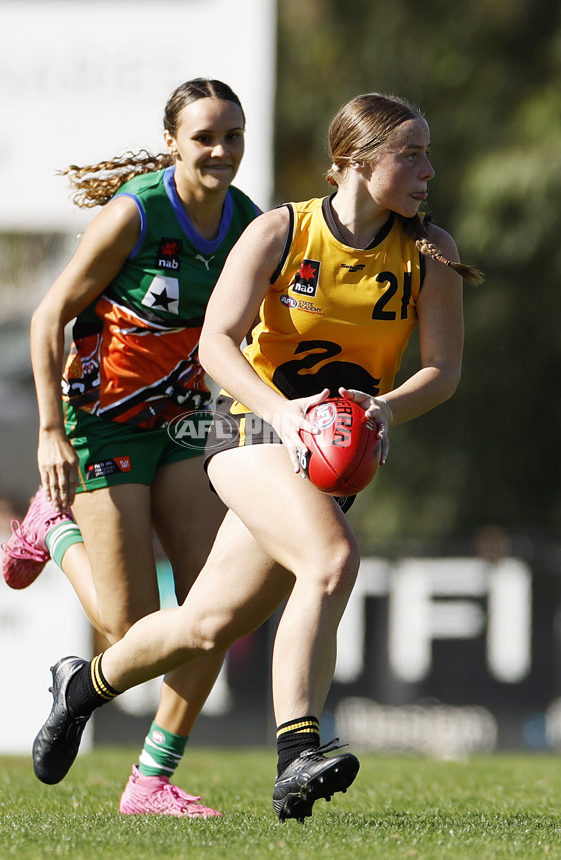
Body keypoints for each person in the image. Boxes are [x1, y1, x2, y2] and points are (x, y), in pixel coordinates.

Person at [30, 92, 483, 821]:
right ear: (357, 163)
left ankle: (82, 686)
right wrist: (285, 413)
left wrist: (384, 407)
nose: (428, 169)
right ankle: (297, 750)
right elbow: (215, 342)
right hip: (247, 430)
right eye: (412, 154)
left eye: (427, 153)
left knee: (205, 626)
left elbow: (445, 371)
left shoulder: (430, 252)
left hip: (335, 458)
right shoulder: (282, 230)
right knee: (331, 560)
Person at [2, 78, 274, 817]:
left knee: (212, 608)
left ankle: (150, 782)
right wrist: (50, 432)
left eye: (233, 137)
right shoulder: (137, 211)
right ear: (172, 143)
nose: (221, 151)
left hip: (186, 425)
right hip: (103, 425)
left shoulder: (250, 223)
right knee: (130, 635)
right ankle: (50, 529)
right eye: (205, 137)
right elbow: (47, 317)